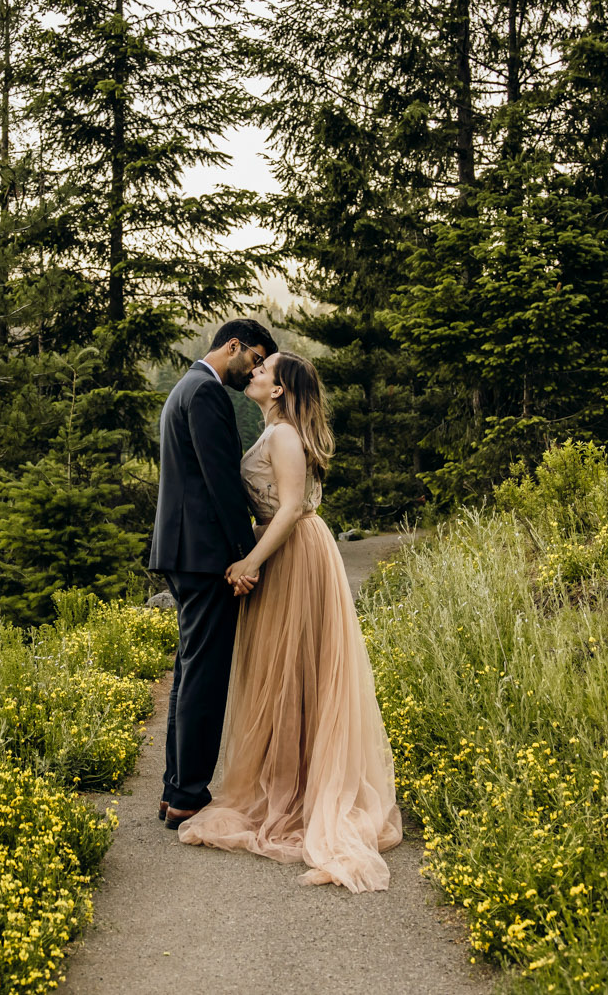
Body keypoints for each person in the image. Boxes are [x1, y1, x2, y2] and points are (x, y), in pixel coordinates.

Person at [176, 350, 403, 891]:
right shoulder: (277, 431)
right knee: (288, 671)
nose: (252, 372)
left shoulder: (282, 437)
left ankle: (299, 793)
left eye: (263, 370)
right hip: (290, 553)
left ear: (278, 389)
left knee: (295, 667)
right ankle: (290, 782)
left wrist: (250, 560)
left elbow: (291, 506)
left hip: (293, 555)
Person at [150, 318, 278, 830]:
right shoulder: (204, 393)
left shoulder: (187, 388)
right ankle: (188, 795)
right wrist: (247, 558)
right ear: (234, 346)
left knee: (189, 671)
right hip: (203, 556)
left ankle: (175, 790)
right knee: (204, 675)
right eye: (256, 358)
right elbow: (221, 483)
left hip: (184, 553)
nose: (255, 371)